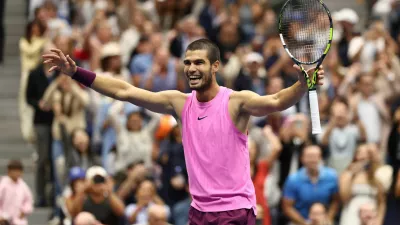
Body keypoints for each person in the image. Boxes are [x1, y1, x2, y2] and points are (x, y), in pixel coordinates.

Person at [42, 38, 325, 224]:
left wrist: (302, 84)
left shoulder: (236, 102)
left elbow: (275, 101)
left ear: (215, 66)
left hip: (235, 211)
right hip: (199, 212)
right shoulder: (178, 103)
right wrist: (77, 72)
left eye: (199, 62)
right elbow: (124, 90)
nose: (191, 67)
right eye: (188, 62)